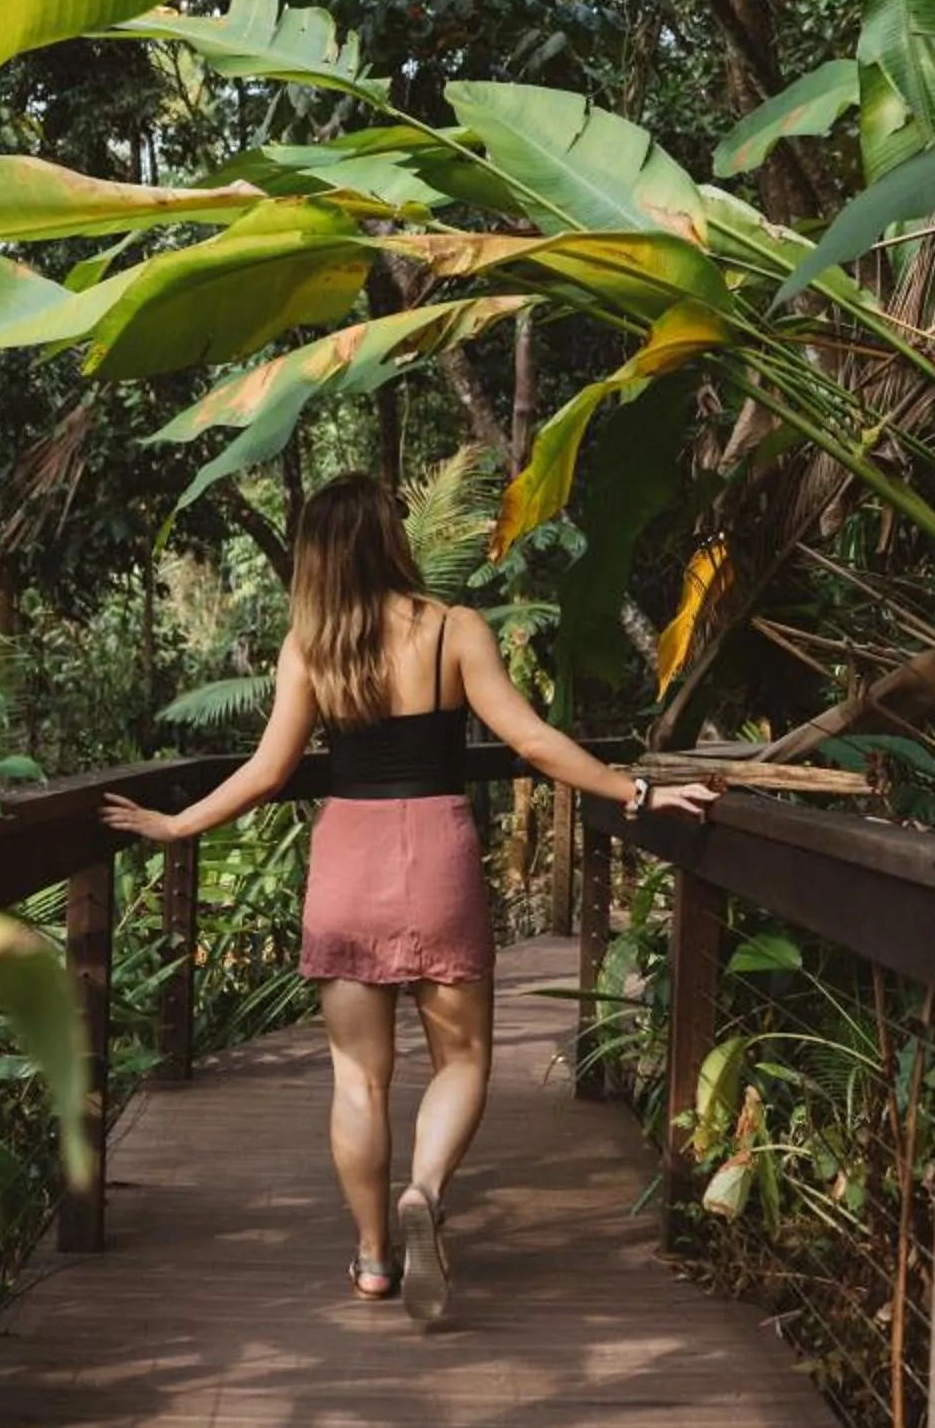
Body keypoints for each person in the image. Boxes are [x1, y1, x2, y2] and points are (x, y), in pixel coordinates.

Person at [101, 473, 720, 1324]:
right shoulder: (452, 629)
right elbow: (532, 741)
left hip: (348, 859)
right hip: (435, 854)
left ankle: (371, 1260)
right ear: (393, 535)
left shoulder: (310, 646)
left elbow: (268, 771)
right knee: (462, 1062)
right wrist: (637, 793)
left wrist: (177, 826)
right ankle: (423, 1190)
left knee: (357, 1078)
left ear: (316, 556)